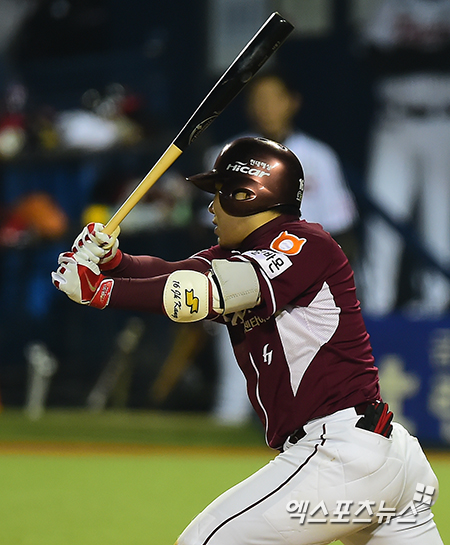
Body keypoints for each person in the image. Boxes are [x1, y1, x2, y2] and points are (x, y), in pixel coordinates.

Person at [52, 137, 442, 545]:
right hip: (377, 457)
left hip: (341, 452)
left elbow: (205, 292)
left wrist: (101, 291)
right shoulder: (238, 254)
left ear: (247, 195)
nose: (211, 207)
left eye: (220, 193)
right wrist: (113, 262)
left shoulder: (302, 242)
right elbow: (173, 273)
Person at [204, 72, 360, 424]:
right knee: (233, 395)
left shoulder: (319, 157)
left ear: (292, 102)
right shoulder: (228, 155)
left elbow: (342, 229)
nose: (266, 107)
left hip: (304, 293)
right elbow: (210, 226)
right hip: (245, 283)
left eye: (274, 98)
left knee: (310, 399)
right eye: (258, 100)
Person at [360, 0, 450, 316]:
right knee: (383, 218)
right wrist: (432, 57)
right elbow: (372, 58)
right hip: (394, 124)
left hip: (441, 122)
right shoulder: (392, 6)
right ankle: (377, 308)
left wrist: (408, 57)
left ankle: (435, 308)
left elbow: (396, 59)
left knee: (440, 223)